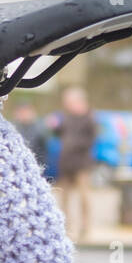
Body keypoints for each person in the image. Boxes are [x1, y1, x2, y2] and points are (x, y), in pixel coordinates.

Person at [53, 86, 95, 243]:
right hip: (66, 163)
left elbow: (89, 141)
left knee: (84, 197)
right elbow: (59, 133)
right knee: (64, 197)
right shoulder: (67, 118)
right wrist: (55, 126)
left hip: (82, 163)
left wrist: (72, 144)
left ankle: (85, 227)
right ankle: (66, 227)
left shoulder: (89, 118)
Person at [9, 100, 49, 173]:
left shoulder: (40, 127)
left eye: (26, 111)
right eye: (21, 112)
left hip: (36, 166)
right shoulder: (11, 127)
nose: (24, 114)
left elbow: (44, 148)